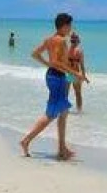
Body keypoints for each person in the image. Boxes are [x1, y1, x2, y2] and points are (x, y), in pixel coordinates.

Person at [20, 13, 77, 160]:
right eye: (70, 25)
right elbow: (56, 62)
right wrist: (75, 73)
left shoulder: (50, 39)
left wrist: (48, 65)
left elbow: (35, 54)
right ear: (64, 26)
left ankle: (62, 149)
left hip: (54, 76)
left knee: (64, 112)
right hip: (58, 78)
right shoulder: (61, 41)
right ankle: (26, 140)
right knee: (51, 114)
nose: (71, 28)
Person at [67, 31, 91, 112]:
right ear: (78, 41)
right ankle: (79, 110)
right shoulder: (79, 51)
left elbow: (63, 63)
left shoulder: (67, 50)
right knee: (78, 93)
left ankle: (64, 110)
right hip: (76, 74)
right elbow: (82, 65)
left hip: (68, 73)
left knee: (65, 93)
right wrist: (84, 76)